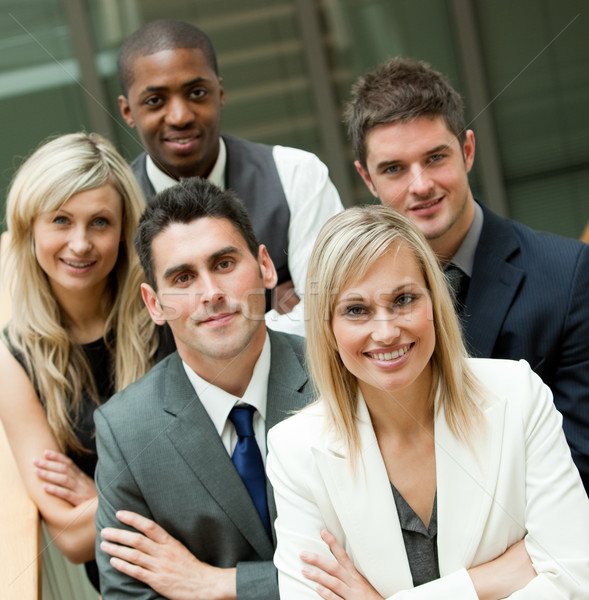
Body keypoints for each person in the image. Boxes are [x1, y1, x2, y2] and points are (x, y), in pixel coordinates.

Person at [266, 205, 589, 599]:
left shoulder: (517, 393)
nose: (386, 331)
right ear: (328, 329)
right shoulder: (295, 448)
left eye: (403, 300)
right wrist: (485, 582)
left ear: (435, 302)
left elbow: (575, 578)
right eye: (356, 310)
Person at [343, 57, 589, 493]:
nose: (420, 185)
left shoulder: (567, 275)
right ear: (367, 178)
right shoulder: (347, 303)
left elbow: (578, 464)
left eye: (435, 158)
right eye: (394, 169)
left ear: (468, 150)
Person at [94, 177, 314, 599]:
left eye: (225, 264)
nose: (211, 293)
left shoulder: (340, 377)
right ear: (154, 304)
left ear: (265, 267)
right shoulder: (126, 431)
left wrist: (216, 585)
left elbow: (381, 559)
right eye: (182, 278)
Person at [0, 132, 167, 593]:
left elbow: (214, 464)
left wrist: (99, 494)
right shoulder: (14, 357)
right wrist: (160, 483)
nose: (80, 244)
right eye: (60, 220)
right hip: (128, 584)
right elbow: (71, 539)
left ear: (123, 228)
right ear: (30, 225)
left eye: (99, 222)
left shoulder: (163, 315)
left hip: (217, 557)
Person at [116, 18, 343, 336]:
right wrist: (269, 314)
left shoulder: (295, 174)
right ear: (127, 111)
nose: (180, 116)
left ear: (220, 92)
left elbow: (333, 312)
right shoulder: (113, 208)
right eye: (155, 101)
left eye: (196, 93)